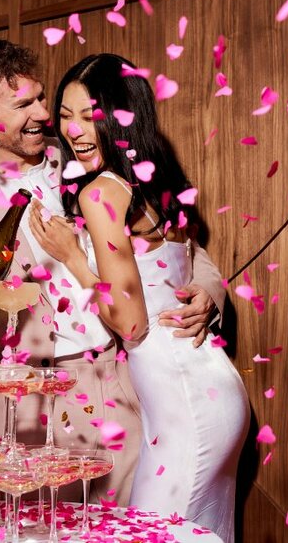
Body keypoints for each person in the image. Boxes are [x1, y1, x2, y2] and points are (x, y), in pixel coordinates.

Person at [0, 38, 228, 506]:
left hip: (118, 380)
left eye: (42, 97)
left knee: (134, 527)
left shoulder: (86, 154)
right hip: (25, 403)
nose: (45, 115)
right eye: (23, 104)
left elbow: (170, 238)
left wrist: (207, 291)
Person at [28, 53, 250, 542]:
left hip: (181, 399)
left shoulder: (101, 193)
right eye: (65, 115)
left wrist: (72, 256)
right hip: (209, 386)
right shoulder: (157, 179)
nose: (74, 130)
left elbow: (131, 325)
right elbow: (177, 261)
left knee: (153, 535)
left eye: (91, 115)